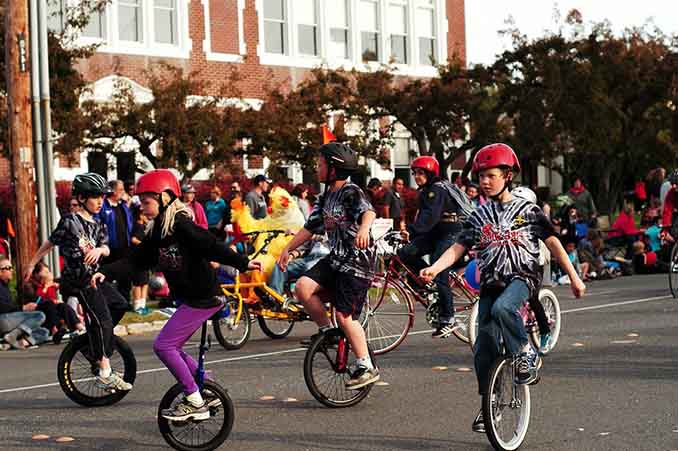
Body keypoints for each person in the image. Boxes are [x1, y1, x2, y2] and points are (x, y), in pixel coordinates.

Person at [419, 143, 585, 433]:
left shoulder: (528, 211)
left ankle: (525, 352)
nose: (484, 181)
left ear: (508, 175)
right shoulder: (477, 216)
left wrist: (574, 276)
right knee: (483, 346)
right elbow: (459, 248)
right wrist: (435, 267)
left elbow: (553, 243)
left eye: (491, 175)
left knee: (504, 308)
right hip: (492, 282)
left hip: (523, 277)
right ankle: (490, 405)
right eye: (481, 175)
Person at [92, 169, 261, 421]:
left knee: (164, 345)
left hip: (204, 297)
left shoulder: (181, 225)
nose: (143, 207)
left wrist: (242, 262)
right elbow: (136, 261)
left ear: (164, 198)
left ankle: (195, 401)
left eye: (147, 201)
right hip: (191, 298)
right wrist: (105, 272)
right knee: (174, 346)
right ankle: (207, 388)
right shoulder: (158, 231)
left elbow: (211, 245)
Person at [277, 142, 379, 390]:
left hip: (357, 263)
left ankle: (366, 365)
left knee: (345, 317)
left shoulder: (351, 191)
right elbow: (310, 228)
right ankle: (328, 334)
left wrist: (364, 228)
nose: (317, 168)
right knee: (302, 287)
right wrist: (288, 248)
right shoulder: (325, 196)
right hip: (336, 259)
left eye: (321, 164)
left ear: (334, 168)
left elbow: (369, 213)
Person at [24, 173, 131, 391]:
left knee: (119, 305)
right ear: (81, 198)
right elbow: (50, 243)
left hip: (94, 277)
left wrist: (100, 250)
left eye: (102, 197)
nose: (100, 201)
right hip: (76, 280)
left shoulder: (99, 223)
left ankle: (95, 343)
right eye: (95, 197)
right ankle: (104, 372)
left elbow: (107, 247)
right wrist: (31, 263)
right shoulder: (70, 222)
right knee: (103, 321)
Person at [400, 155, 474, 338]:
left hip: (451, 232)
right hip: (435, 233)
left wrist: (412, 230)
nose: (417, 176)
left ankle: (448, 318)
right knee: (405, 252)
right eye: (415, 173)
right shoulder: (426, 190)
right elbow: (427, 219)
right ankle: (430, 281)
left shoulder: (436, 190)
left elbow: (430, 217)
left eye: (421, 173)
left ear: (430, 173)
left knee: (439, 270)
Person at [97, 179, 134, 306]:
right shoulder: (103, 206)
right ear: (113, 191)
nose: (123, 192)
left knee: (125, 277)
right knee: (107, 275)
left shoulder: (123, 206)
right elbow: (98, 224)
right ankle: (108, 301)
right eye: (121, 190)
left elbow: (130, 223)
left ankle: (125, 302)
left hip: (125, 247)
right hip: (110, 249)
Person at [0, 257, 50, 350]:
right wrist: (23, 308)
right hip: (3, 319)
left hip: (9, 320)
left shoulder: (5, 286)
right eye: (8, 268)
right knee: (39, 315)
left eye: (11, 268)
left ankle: (14, 342)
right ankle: (12, 336)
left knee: (44, 331)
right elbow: (3, 307)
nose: (12, 270)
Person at [28, 262, 85, 342]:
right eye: (45, 272)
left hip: (53, 311)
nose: (48, 274)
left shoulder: (50, 284)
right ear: (37, 274)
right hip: (40, 312)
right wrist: (46, 287)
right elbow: (37, 299)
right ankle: (55, 330)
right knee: (50, 305)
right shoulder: (32, 285)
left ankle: (79, 327)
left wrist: (54, 287)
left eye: (48, 272)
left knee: (63, 306)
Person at [130, 209, 150, 314]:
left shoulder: (145, 227)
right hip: (138, 257)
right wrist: (143, 244)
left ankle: (143, 304)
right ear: (140, 216)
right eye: (144, 215)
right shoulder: (137, 226)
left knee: (145, 282)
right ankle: (137, 305)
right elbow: (133, 239)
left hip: (144, 258)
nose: (147, 217)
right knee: (138, 282)